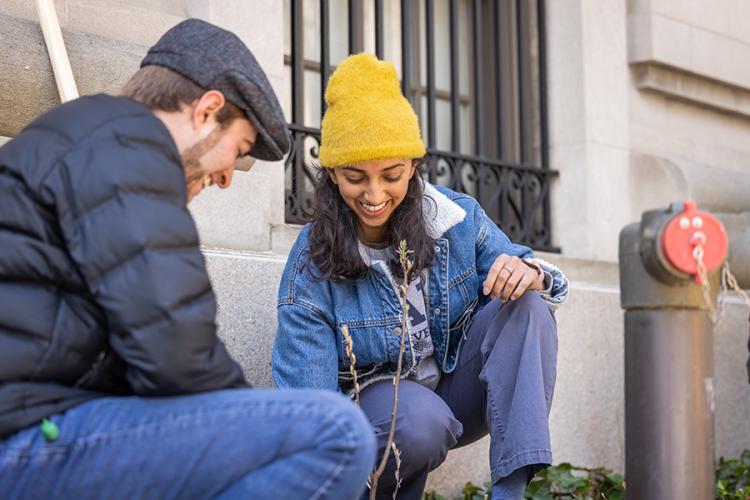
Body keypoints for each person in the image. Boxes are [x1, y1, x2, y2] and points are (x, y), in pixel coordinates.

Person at [0, 20, 374, 499]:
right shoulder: (127, 148)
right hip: (24, 437)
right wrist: (248, 422)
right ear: (207, 110)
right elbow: (176, 351)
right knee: (336, 432)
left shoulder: (85, 137)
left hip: (38, 420)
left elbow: (139, 352)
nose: (225, 180)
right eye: (236, 151)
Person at [272, 53, 568, 499]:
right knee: (418, 416)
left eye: (391, 175)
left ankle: (510, 491)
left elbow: (547, 280)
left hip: (456, 390)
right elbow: (312, 411)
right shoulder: (311, 262)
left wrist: (529, 272)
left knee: (526, 306)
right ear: (332, 173)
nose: (374, 195)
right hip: (381, 416)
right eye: (355, 177)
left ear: (412, 165)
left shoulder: (455, 218)